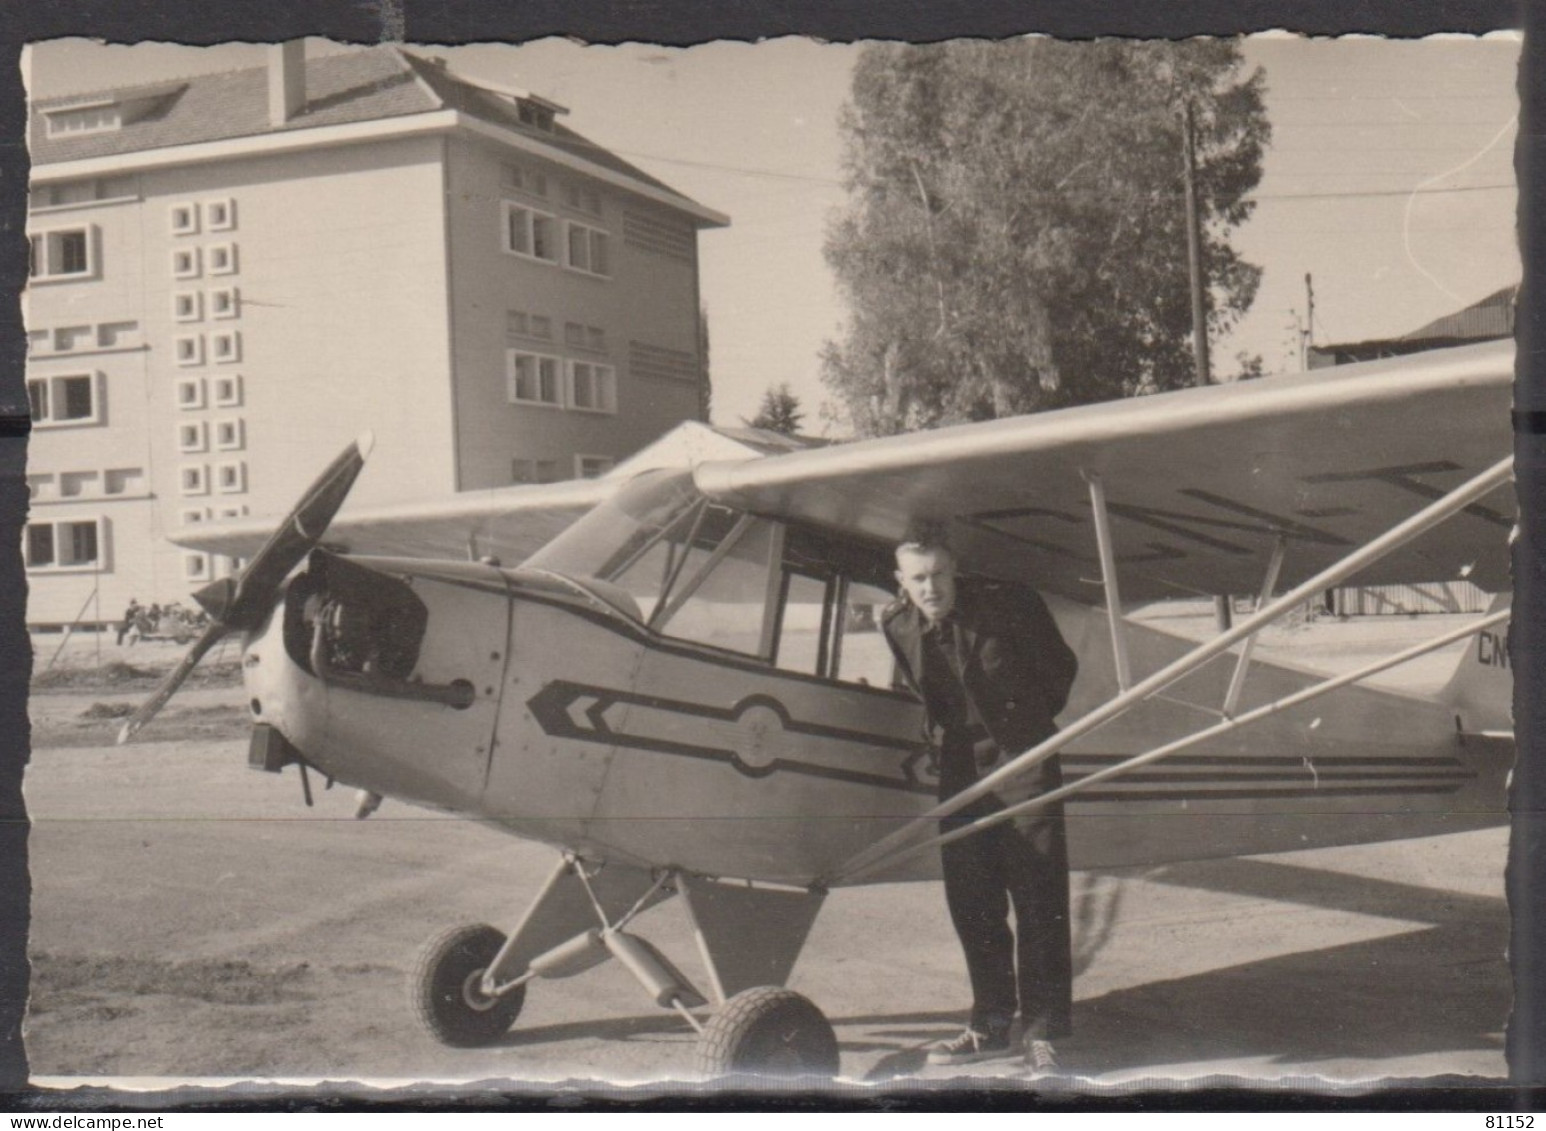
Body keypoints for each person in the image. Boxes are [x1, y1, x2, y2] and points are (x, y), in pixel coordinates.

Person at [881, 529, 1078, 1071]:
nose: (930, 587)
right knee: (972, 899)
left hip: (1023, 760)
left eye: (938, 574)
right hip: (960, 766)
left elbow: (1059, 670)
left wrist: (1026, 728)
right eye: (917, 578)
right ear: (902, 582)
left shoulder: (1009, 605)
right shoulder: (896, 624)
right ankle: (990, 1024)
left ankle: (1042, 1033)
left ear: (955, 571)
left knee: (1038, 897)